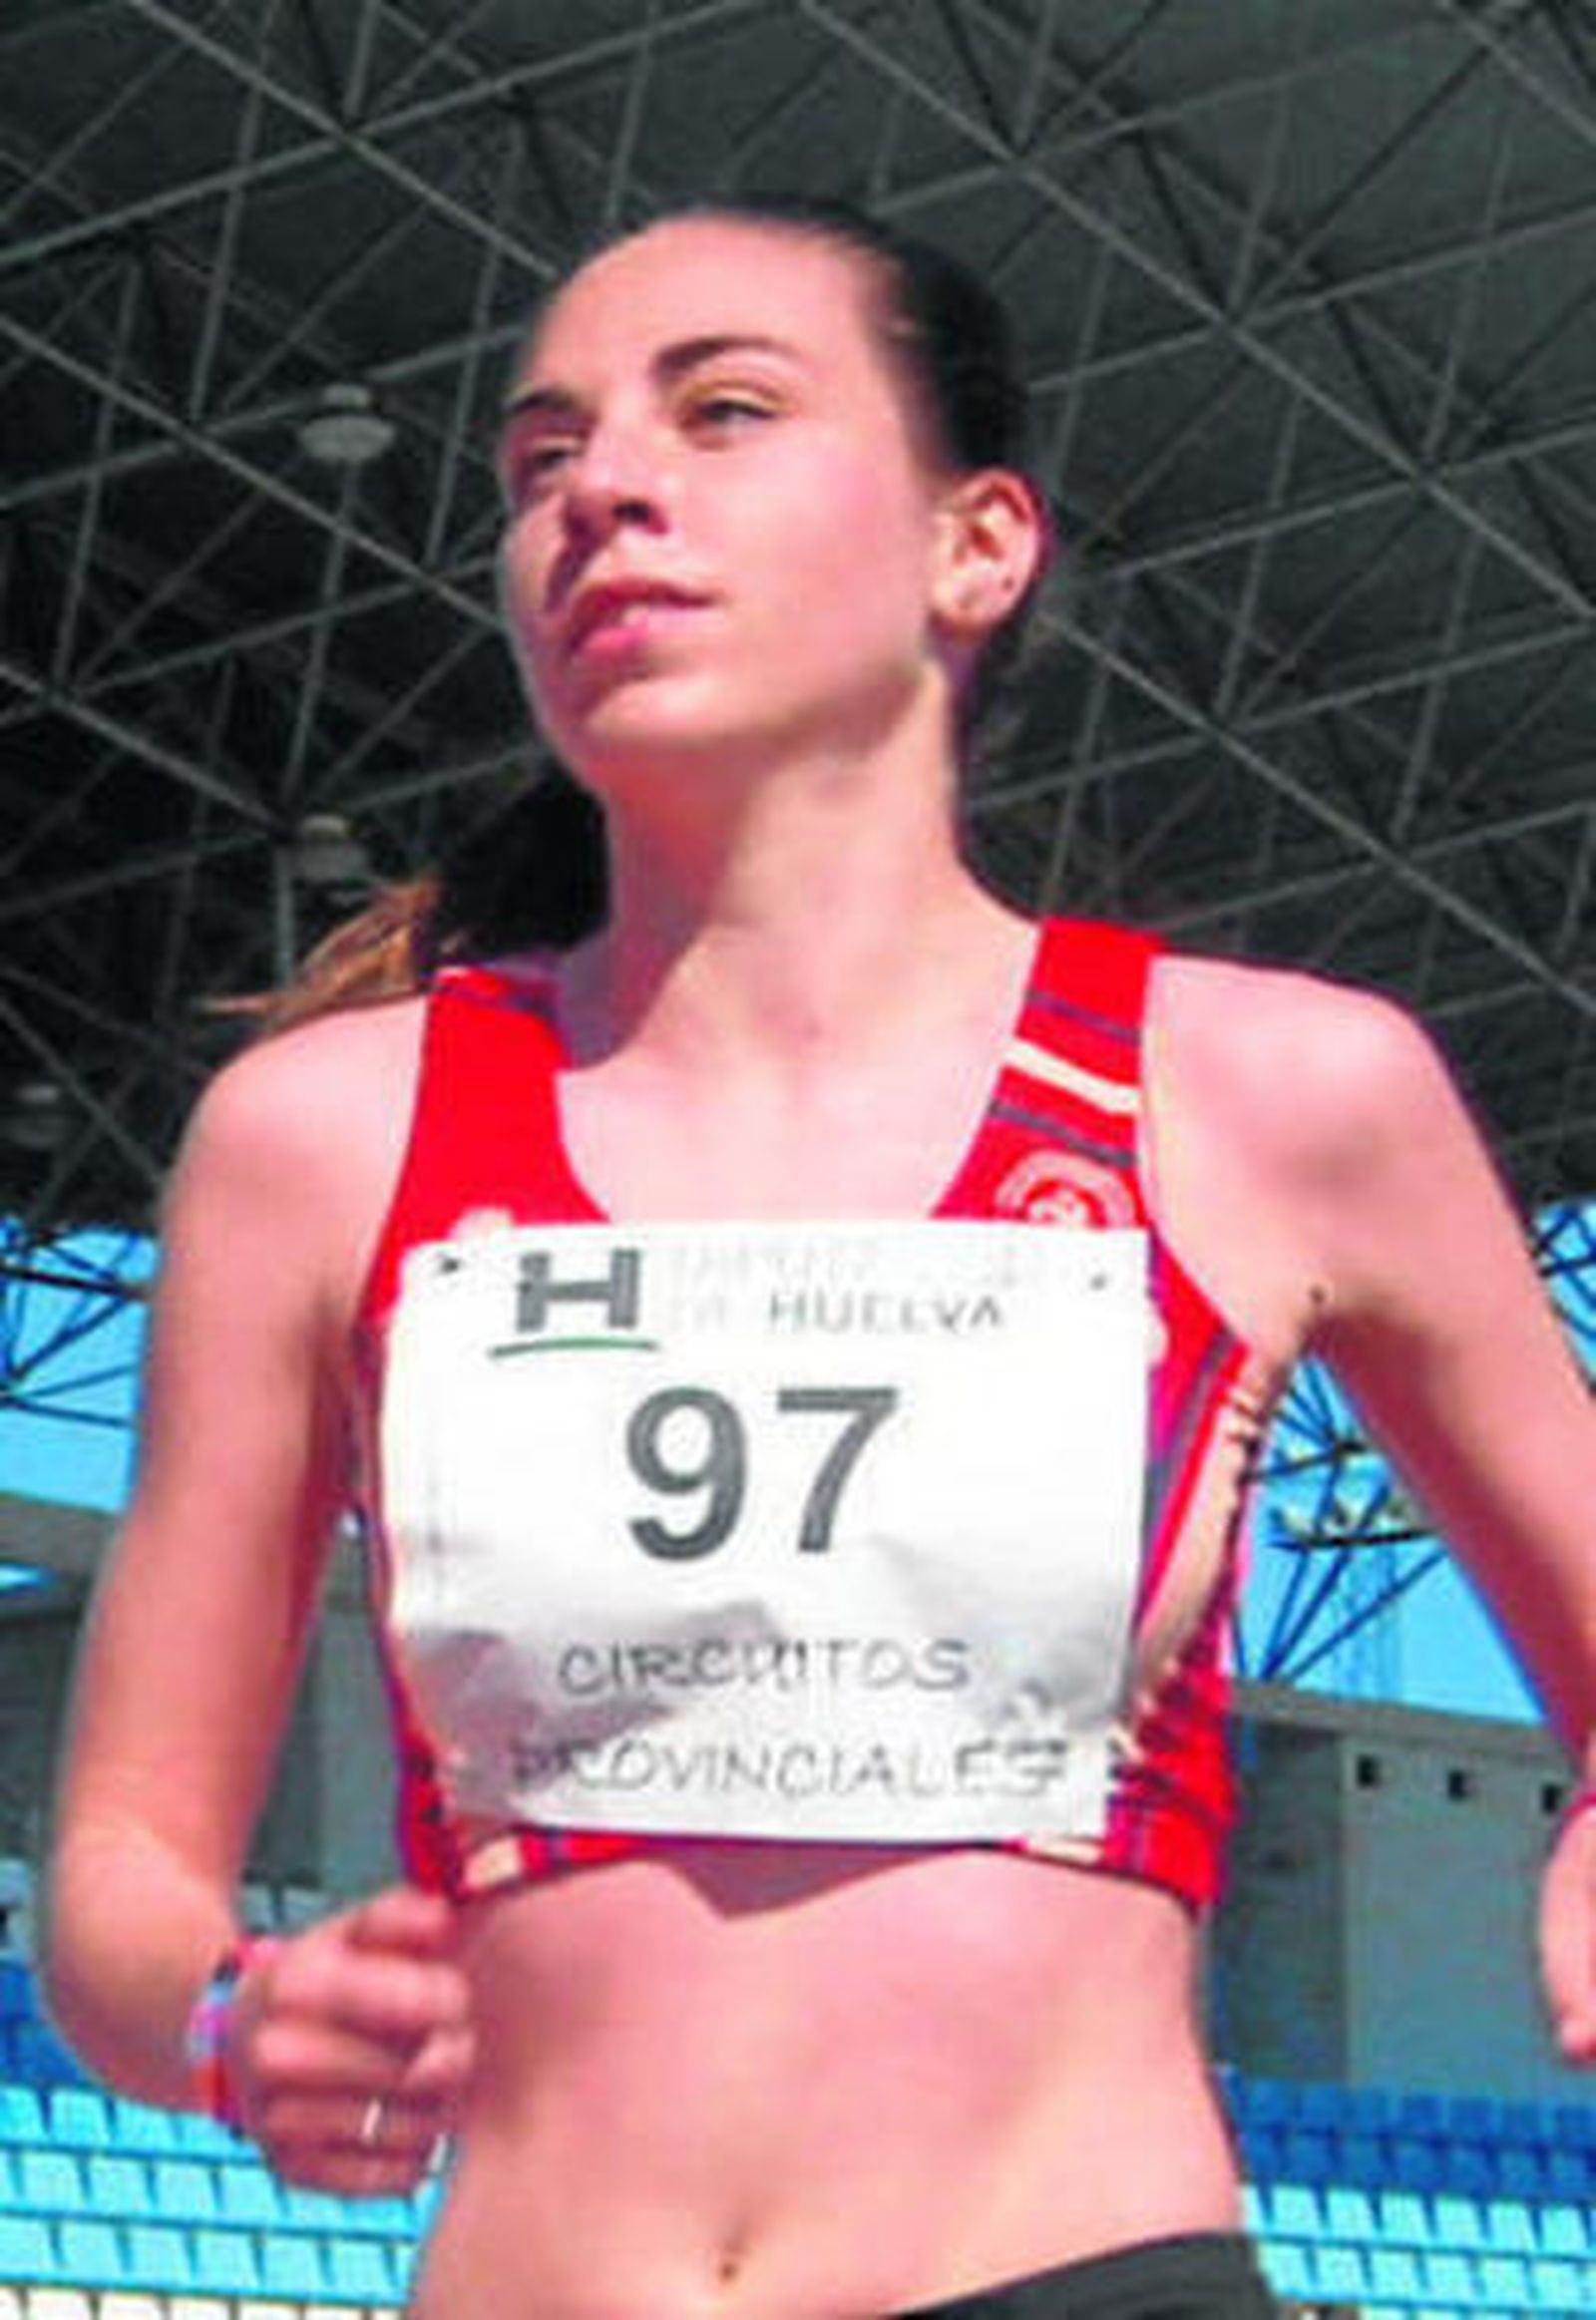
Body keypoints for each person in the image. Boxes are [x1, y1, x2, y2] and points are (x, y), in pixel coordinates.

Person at [43, 195, 1596, 2319]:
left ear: (978, 543)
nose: (603, 490)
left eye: (725, 412)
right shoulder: (320, 1139)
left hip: (1074, 2268)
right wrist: (231, 2015)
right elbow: (120, 1869)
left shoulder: (1276, 1093)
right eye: (540, 458)